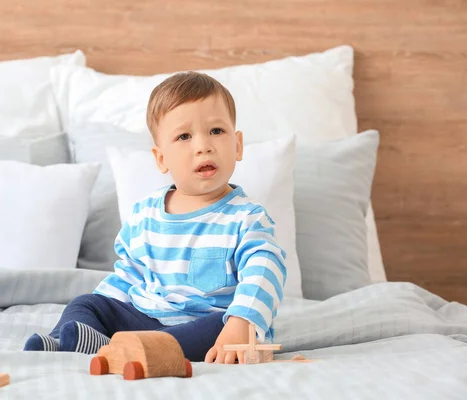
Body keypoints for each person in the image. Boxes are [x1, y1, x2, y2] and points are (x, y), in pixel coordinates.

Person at [24, 71, 287, 364]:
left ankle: (134, 351)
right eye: (184, 136)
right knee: (87, 303)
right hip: (144, 317)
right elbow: (128, 277)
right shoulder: (145, 215)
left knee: (220, 325)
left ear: (237, 145)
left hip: (206, 326)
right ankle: (71, 340)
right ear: (161, 158)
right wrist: (106, 311)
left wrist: (242, 322)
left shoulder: (247, 218)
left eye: (216, 131)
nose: (203, 145)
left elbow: (265, 271)